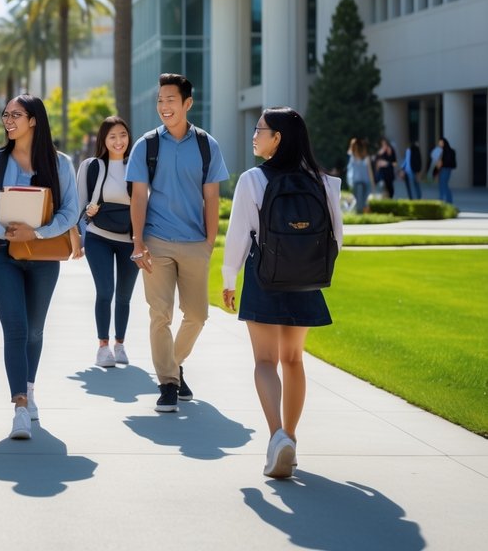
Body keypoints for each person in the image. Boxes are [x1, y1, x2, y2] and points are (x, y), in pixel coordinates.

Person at [221, 107, 343, 479]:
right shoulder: (324, 181)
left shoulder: (252, 180)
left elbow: (240, 235)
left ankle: (276, 437)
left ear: (278, 138)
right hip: (305, 280)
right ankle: (290, 436)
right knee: (293, 360)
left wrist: (229, 279)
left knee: (264, 362)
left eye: (260, 130)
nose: (255, 136)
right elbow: (336, 237)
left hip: (265, 276)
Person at [0, 94, 79, 440]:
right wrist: (1, 229)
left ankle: (29, 389)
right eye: (5, 114)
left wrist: (38, 232)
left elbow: (70, 212)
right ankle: (19, 405)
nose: (8, 119)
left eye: (15, 114)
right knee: (16, 330)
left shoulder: (60, 164)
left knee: (35, 330)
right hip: (3, 253)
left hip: (44, 254)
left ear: (34, 119)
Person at [128, 73, 229, 414]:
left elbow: (212, 196)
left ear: (187, 103)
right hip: (156, 240)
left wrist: (209, 242)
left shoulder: (206, 145)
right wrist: (138, 241)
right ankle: (168, 383)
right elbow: (138, 196)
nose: (164, 106)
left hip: (194, 243)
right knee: (160, 314)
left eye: (171, 100)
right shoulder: (146, 145)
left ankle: (174, 363)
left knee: (198, 315)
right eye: (160, 100)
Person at [76, 116, 139, 369]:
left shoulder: (137, 166)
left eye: (123, 135)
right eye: (112, 136)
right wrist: (86, 217)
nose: (118, 141)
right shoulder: (92, 166)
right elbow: (79, 204)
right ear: (103, 139)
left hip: (129, 240)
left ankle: (120, 344)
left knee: (124, 296)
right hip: (98, 237)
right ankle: (103, 347)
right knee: (105, 291)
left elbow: (144, 204)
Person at [346, 137, 373, 214]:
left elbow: (370, 171)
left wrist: (372, 184)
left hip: (365, 182)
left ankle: (362, 214)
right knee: (359, 201)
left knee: (364, 200)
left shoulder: (366, 158)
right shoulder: (352, 157)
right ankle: (359, 214)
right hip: (357, 182)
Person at [435, 137, 456, 204]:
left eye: (441, 143)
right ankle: (444, 199)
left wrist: (441, 163)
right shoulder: (442, 151)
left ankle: (446, 199)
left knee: (444, 184)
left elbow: (446, 161)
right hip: (443, 169)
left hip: (446, 169)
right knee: (442, 184)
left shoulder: (447, 151)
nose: (440, 144)